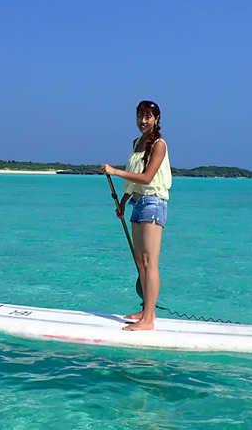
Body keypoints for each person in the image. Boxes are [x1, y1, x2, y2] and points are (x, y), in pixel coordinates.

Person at [100, 100, 172, 331]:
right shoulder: (137, 142)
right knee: (140, 261)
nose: (143, 121)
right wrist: (122, 203)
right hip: (137, 203)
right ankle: (145, 309)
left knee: (150, 262)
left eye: (148, 117)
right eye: (140, 116)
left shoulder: (159, 145)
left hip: (153, 203)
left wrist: (114, 171)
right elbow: (133, 180)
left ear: (157, 119)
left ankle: (149, 320)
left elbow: (147, 178)